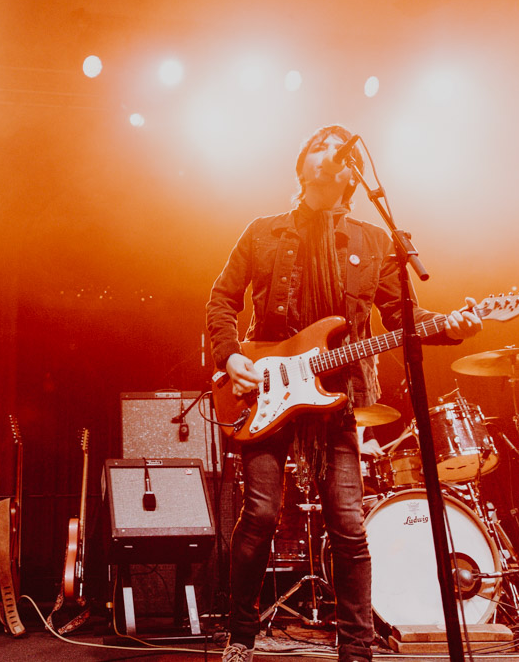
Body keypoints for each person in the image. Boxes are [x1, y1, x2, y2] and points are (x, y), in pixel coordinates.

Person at [205, 124, 482, 662]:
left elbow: (403, 316)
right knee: (260, 515)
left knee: (350, 525)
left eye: (342, 152)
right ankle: (241, 637)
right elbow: (221, 298)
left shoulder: (374, 240)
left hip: (336, 396)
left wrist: (452, 325)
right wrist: (231, 355)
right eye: (322, 147)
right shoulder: (263, 232)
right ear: (303, 164)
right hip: (268, 390)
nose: (334, 155)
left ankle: (357, 649)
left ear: (353, 175)